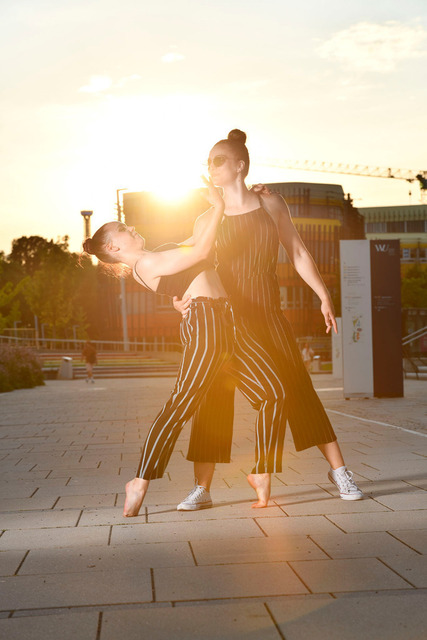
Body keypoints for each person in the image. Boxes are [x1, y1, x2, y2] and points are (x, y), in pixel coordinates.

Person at [174, 129, 363, 509]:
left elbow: (297, 251)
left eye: (218, 160)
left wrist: (324, 295)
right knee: (213, 396)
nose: (211, 167)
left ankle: (340, 471)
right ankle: (202, 488)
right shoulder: (206, 218)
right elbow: (191, 263)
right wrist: (181, 300)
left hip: (268, 313)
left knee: (298, 387)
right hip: (223, 316)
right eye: (208, 161)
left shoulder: (271, 203)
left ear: (240, 165)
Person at [83, 177, 235, 516]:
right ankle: (140, 481)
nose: (132, 227)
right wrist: (220, 205)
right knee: (181, 403)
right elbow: (201, 250)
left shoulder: (156, 256)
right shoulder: (145, 264)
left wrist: (217, 201)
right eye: (123, 228)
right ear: (114, 248)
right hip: (207, 323)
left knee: (217, 405)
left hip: (222, 319)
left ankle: (202, 489)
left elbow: (198, 237)